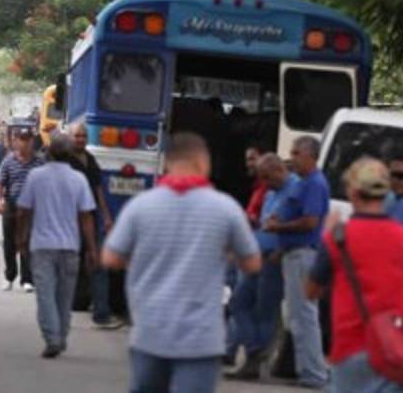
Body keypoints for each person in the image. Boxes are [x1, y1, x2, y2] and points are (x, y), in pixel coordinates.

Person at [103, 132, 261, 393]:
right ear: (203, 163)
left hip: (150, 332)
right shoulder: (226, 209)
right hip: (201, 339)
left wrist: (142, 261)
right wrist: (224, 253)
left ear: (167, 163)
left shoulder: (140, 206)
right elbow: (253, 263)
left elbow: (110, 258)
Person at [305, 157, 403, 393]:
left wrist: (326, 234)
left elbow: (311, 290)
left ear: (352, 192)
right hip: (398, 345)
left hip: (352, 345)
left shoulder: (338, 237)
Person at [16, 133, 98, 359]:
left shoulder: (36, 176)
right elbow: (86, 217)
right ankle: (60, 336)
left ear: (49, 152)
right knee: (64, 297)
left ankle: (53, 338)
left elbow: (23, 211)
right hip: (70, 247)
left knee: (45, 295)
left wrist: (20, 238)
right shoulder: (79, 180)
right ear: (70, 154)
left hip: (42, 246)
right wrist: (92, 249)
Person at [263, 135, 330, 389]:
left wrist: (278, 227)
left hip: (303, 254)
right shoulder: (304, 182)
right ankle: (309, 370)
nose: (292, 159)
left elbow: (310, 221)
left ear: (311, 156)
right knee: (299, 316)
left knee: (304, 316)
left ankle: (313, 373)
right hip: (294, 253)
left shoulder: (314, 183)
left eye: (296, 153)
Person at [227, 153, 292, 381]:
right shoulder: (271, 192)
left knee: (265, 310)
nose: (264, 182)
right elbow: (266, 223)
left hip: (273, 259)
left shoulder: (294, 190)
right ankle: (255, 348)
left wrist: (281, 249)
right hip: (258, 254)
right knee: (238, 303)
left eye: (267, 176)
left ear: (278, 170)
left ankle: (255, 360)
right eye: (261, 177)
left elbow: (302, 223)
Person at [66, 122, 118, 330]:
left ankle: (102, 313)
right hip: (71, 220)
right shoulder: (65, 161)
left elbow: (98, 190)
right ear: (69, 137)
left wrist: (106, 217)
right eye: (77, 136)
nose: (80, 139)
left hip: (92, 218)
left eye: (83, 136)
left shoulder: (90, 159)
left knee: (98, 264)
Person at [0, 127, 44, 292]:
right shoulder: (9, 161)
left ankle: (27, 279)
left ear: (32, 141)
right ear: (16, 141)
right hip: (12, 205)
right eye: (21, 140)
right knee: (9, 243)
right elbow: (0, 182)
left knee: (28, 242)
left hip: (31, 208)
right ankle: (9, 276)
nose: (25, 143)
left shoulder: (39, 162)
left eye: (28, 140)